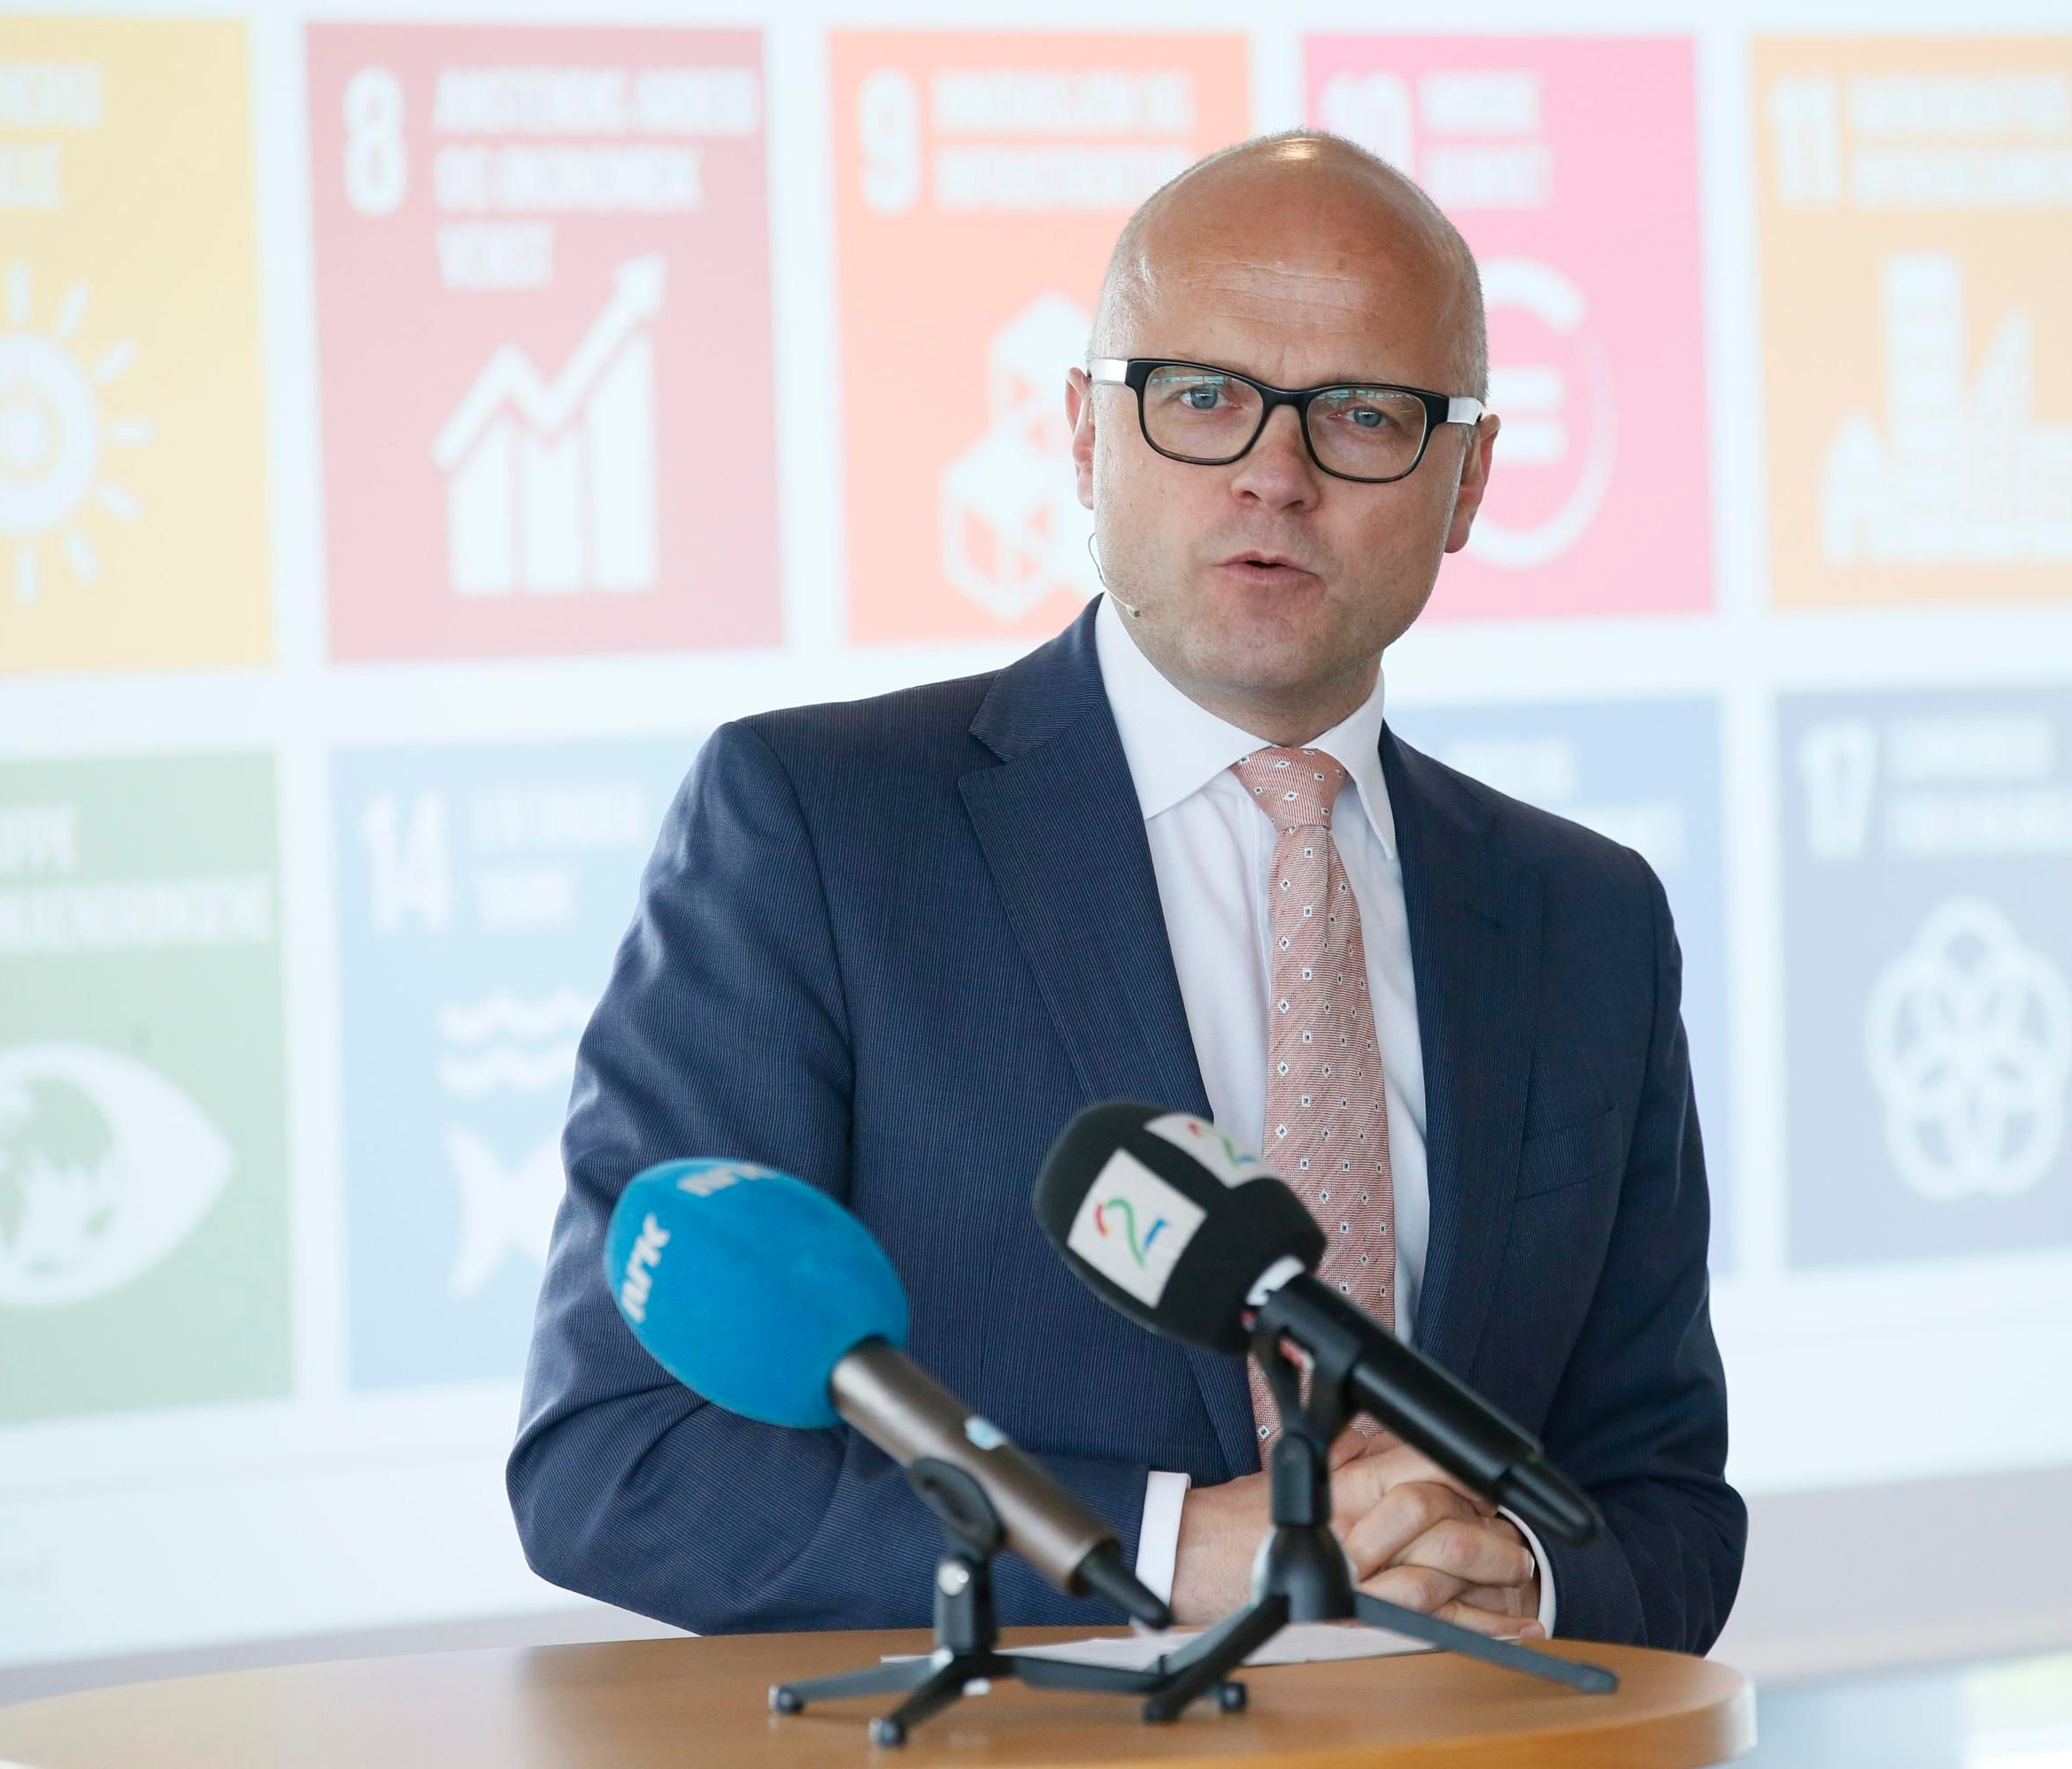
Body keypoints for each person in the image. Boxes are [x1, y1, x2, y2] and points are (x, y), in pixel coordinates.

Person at [509, 129, 1745, 1653]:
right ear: (1088, 434)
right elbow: (622, 1455)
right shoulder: (819, 830)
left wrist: (1529, 1578)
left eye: (1363, 414)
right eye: (1203, 397)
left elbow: (1665, 1498)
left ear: (1469, 479)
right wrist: (1163, 1550)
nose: (1276, 476)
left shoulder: (1587, 919)